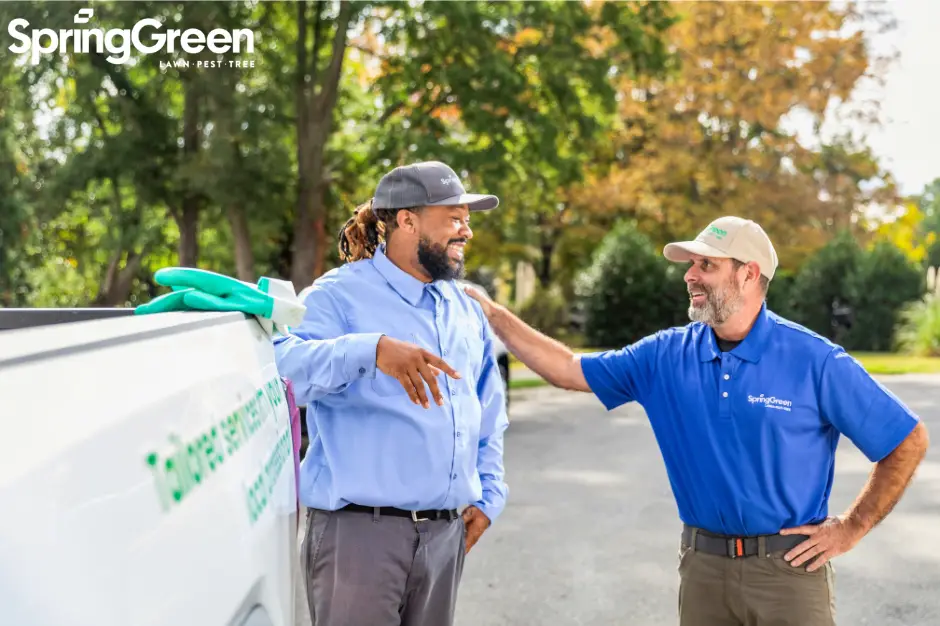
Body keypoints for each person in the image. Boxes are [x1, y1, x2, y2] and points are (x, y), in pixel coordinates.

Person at [464, 215, 929, 626]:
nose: (690, 275)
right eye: (691, 264)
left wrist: (852, 527)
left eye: (707, 265)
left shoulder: (814, 360)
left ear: (748, 274)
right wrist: (494, 315)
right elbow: (568, 368)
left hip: (790, 575)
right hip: (704, 573)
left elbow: (906, 439)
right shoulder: (665, 356)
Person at [273, 160, 509, 626]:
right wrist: (370, 350)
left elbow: (488, 409)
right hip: (359, 535)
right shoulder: (336, 296)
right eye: (455, 218)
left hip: (445, 537)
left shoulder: (464, 310)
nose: (467, 231)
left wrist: (490, 491)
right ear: (407, 220)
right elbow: (282, 372)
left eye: (467, 219)